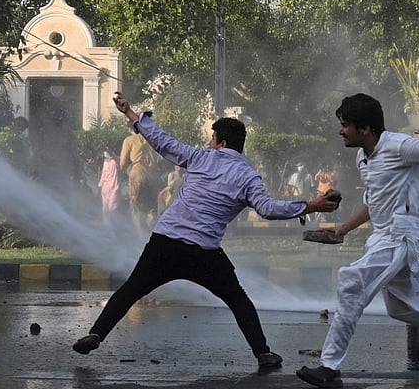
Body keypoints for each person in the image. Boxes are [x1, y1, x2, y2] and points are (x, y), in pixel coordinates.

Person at [72, 92, 341, 369]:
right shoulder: (248, 176)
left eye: (212, 139)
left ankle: (96, 334)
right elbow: (268, 209)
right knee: (238, 300)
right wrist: (310, 205)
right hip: (204, 252)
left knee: (130, 290)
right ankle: (263, 353)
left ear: (221, 142)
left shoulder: (200, 158)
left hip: (165, 242)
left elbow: (162, 142)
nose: (209, 143)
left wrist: (130, 114)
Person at [296, 93, 419, 389]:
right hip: (382, 236)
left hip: (402, 235)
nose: (341, 130)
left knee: (351, 282)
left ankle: (329, 366)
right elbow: (374, 203)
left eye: (345, 125)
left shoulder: (400, 146)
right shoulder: (363, 157)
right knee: (401, 307)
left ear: (366, 128)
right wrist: (343, 229)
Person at [120, 120, 159, 232]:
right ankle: (151, 231)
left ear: (130, 129)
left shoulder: (129, 140)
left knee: (135, 206)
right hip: (152, 174)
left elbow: (123, 163)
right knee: (151, 206)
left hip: (137, 173)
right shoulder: (151, 140)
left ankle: (140, 236)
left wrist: (124, 169)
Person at [97, 150, 120, 225]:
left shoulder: (115, 161)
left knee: (112, 206)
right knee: (105, 207)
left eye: (106, 152)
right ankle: (106, 223)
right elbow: (103, 174)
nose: (105, 154)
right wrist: (100, 185)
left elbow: (118, 159)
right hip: (105, 188)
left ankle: (112, 223)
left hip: (114, 187)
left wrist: (110, 151)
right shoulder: (105, 163)